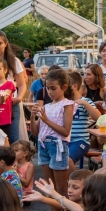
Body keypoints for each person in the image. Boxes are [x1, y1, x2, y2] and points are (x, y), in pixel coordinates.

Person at [31, 68, 75, 203]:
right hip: (43, 146)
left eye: (53, 88)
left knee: (61, 191)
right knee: (50, 189)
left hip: (57, 145)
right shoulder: (46, 107)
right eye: (47, 88)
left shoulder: (67, 105)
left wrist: (46, 120)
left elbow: (65, 131)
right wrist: (33, 116)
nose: (50, 92)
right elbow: (35, 132)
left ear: (64, 87)